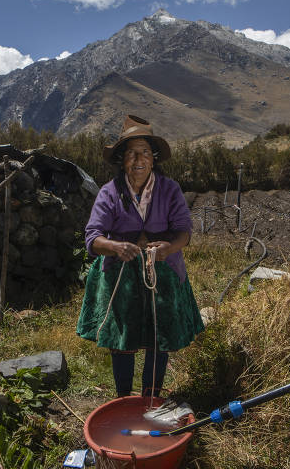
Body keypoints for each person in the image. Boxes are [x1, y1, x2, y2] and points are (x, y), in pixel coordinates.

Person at [76, 114, 205, 398]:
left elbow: (184, 231)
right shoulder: (110, 193)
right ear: (122, 158)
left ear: (153, 158)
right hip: (120, 276)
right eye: (132, 153)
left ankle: (151, 397)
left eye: (145, 152)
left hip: (162, 272)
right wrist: (116, 247)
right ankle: (124, 400)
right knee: (123, 340)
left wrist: (166, 249)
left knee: (159, 338)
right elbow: (92, 237)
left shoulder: (169, 190)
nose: (139, 159)